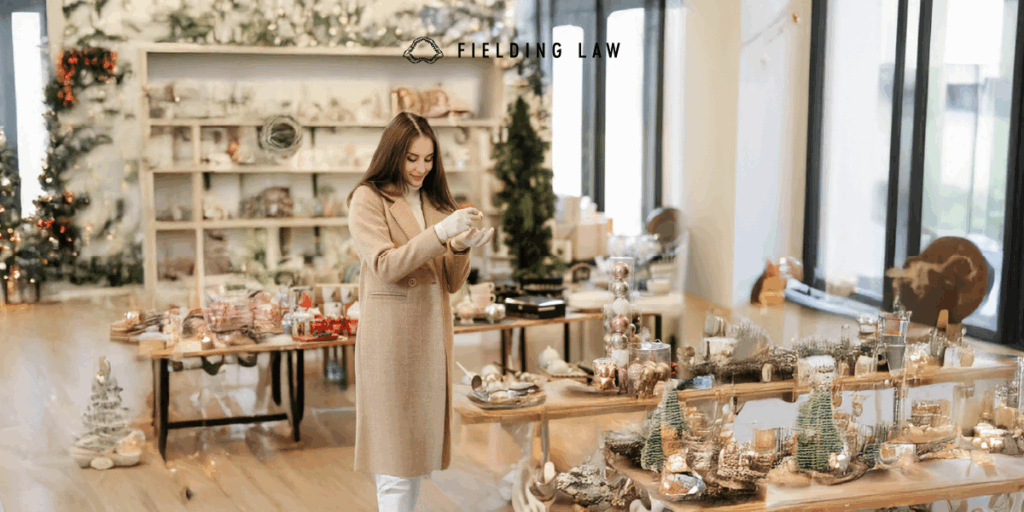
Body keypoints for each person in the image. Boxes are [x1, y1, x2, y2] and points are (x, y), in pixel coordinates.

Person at [347, 112, 494, 511]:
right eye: (411, 158)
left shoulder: (435, 201)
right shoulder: (368, 199)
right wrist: (442, 233)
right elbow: (386, 265)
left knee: (413, 461)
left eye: (428, 159)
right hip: (390, 344)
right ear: (392, 153)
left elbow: (451, 282)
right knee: (393, 463)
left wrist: (460, 246)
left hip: (430, 339)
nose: (420, 168)